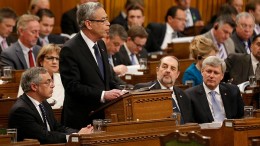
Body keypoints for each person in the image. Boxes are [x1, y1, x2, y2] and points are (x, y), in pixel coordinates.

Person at [59, 2, 124, 129]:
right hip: (81, 120)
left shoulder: (101, 44)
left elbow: (108, 79)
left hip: (103, 116)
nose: (108, 23)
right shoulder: (70, 49)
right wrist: (102, 95)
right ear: (89, 24)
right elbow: (72, 86)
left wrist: (122, 91)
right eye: (103, 20)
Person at [8, 67, 93, 144]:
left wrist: (80, 132)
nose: (53, 85)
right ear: (34, 87)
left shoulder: (44, 103)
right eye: (47, 82)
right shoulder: (21, 110)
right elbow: (45, 137)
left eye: (52, 81)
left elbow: (58, 128)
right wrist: (76, 137)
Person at [134, 56, 194, 123]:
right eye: (164, 67)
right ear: (157, 70)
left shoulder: (184, 96)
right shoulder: (144, 91)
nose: (168, 70)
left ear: (177, 74)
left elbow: (189, 123)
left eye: (173, 68)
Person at [185, 56, 244, 124]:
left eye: (216, 73)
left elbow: (241, 116)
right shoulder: (190, 95)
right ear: (202, 72)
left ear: (222, 76)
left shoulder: (233, 91)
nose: (211, 76)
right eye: (209, 71)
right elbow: (189, 123)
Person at [18, 44, 64, 109]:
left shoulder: (62, 78)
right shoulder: (29, 77)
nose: (54, 62)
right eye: (50, 58)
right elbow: (22, 103)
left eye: (57, 59)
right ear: (41, 61)